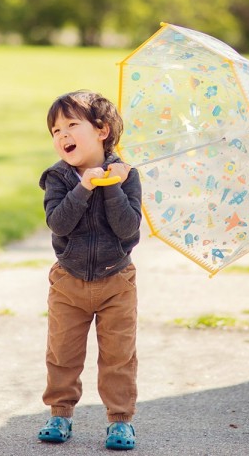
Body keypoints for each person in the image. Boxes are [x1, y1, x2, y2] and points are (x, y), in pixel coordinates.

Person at [37, 90, 142, 450]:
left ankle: (119, 421)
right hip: (69, 280)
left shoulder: (126, 176)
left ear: (102, 130)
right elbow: (59, 223)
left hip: (117, 281)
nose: (62, 135)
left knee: (118, 354)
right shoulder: (58, 178)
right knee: (63, 353)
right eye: (55, 130)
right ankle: (60, 413)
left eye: (71, 125)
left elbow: (128, 229)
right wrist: (83, 187)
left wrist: (113, 187)